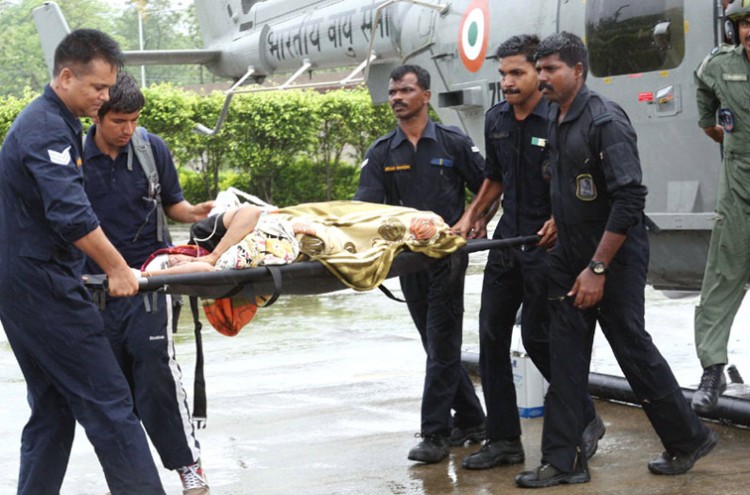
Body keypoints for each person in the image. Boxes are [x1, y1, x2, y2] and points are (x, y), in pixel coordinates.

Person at [514, 32, 716, 488]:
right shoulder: (555, 116)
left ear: (577, 71)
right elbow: (568, 183)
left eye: (551, 69)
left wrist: (598, 268)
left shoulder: (605, 121)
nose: (542, 77)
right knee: (565, 353)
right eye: (539, 69)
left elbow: (629, 198)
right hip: (570, 253)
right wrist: (556, 219)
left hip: (616, 254)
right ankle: (564, 462)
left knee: (631, 348)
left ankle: (688, 439)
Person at [0, 29, 165, 494]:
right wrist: (117, 268)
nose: (105, 97)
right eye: (98, 88)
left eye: (109, 88)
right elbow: (70, 214)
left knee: (53, 409)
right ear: (67, 76)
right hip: (40, 285)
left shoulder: (56, 122)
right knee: (111, 403)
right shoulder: (46, 128)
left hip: (23, 282)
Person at [452, 34, 604, 471]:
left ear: (539, 72)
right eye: (503, 74)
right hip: (506, 242)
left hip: (548, 248)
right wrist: (472, 215)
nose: (507, 82)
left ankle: (585, 416)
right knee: (491, 339)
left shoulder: (561, 118)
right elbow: (494, 176)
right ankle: (503, 441)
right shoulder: (498, 118)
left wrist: (563, 218)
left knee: (538, 337)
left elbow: (580, 182)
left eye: (517, 72)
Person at [83, 72, 215, 494]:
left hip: (152, 283)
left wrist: (196, 212)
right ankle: (134, 479)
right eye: (119, 120)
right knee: (113, 387)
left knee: (156, 373)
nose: (128, 130)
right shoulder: (74, 156)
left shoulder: (149, 148)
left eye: (135, 120)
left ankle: (187, 465)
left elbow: (172, 204)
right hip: (93, 289)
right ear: (98, 117)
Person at [354, 64, 486, 464]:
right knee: (436, 343)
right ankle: (474, 420)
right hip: (406, 262)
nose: (396, 97)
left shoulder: (452, 142)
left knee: (442, 341)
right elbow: (366, 208)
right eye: (393, 92)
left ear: (425, 96)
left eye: (406, 91)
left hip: (446, 257)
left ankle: (435, 434)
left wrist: (475, 219)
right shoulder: (381, 152)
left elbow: (486, 184)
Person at [691, 0, 750, 414]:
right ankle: (713, 369)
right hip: (739, 186)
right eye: (744, 24)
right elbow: (706, 109)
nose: (749, 31)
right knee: (722, 276)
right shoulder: (718, 66)